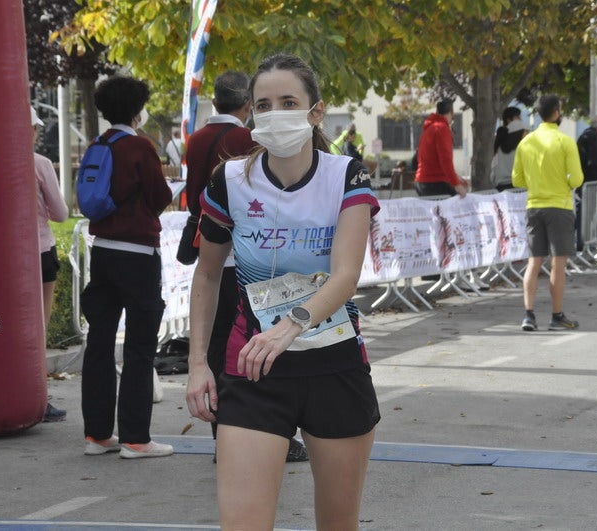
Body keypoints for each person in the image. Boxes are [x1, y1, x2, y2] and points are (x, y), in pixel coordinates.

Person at [186, 52, 380, 530]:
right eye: (264, 104)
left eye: (288, 101)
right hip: (253, 369)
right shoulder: (229, 180)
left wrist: (290, 325)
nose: (275, 114)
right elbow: (207, 275)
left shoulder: (345, 175)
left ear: (315, 112)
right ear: (251, 113)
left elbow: (345, 275)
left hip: (333, 365)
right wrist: (195, 365)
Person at [183, 70, 308, 462]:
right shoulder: (243, 141)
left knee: (223, 345)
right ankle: (259, 432)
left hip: (214, 249)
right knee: (256, 343)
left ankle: (228, 434)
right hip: (247, 255)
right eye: (264, 105)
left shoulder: (198, 138)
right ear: (246, 106)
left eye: (287, 103)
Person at [80, 76, 174, 458]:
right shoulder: (139, 146)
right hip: (137, 253)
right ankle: (136, 438)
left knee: (99, 343)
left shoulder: (97, 145)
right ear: (138, 109)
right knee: (139, 345)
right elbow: (159, 195)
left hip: (101, 251)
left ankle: (98, 435)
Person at [512, 94, 583, 331]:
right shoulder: (565, 141)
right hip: (559, 206)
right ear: (557, 111)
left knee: (534, 262)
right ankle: (556, 315)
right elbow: (578, 178)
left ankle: (529, 315)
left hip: (534, 206)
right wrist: (562, 181)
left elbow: (516, 179)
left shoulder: (526, 142)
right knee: (557, 264)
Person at [32, 107, 69, 423]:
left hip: (2, 256)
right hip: (40, 250)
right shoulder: (40, 164)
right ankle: (38, 399)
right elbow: (60, 213)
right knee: (38, 327)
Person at [414, 99, 468, 197]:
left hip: (421, 182)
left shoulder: (428, 129)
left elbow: (420, 157)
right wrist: (457, 185)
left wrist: (456, 178)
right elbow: (445, 160)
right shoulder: (442, 128)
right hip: (435, 182)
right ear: (451, 112)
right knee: (458, 205)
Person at [492, 106, 527, 191]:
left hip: (501, 187)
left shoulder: (499, 140)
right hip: (519, 187)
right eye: (518, 117)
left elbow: (493, 169)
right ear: (509, 119)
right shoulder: (524, 136)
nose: (520, 119)